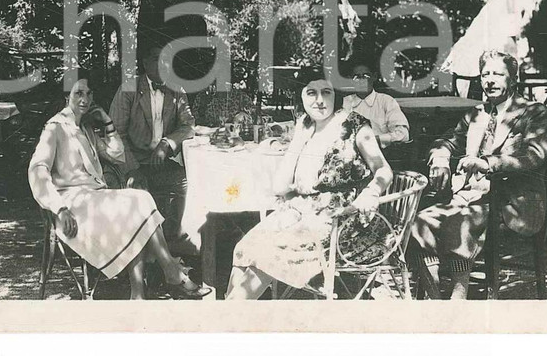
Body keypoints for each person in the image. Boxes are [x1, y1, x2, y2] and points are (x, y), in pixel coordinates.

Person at [28, 73, 211, 300]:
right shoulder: (55, 128)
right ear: (67, 96)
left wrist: (107, 123)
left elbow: (117, 155)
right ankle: (171, 272)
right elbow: (37, 170)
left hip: (94, 198)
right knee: (136, 203)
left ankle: (139, 292)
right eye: (78, 93)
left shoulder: (85, 127)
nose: (84, 99)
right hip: (72, 204)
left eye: (88, 94)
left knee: (139, 200)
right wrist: (59, 208)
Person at [225, 68, 394, 299]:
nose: (320, 100)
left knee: (268, 256)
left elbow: (384, 169)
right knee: (245, 249)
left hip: (341, 220)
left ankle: (225, 320)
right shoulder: (305, 125)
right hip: (302, 213)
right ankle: (229, 317)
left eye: (326, 92)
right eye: (311, 93)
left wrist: (371, 193)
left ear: (335, 94)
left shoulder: (354, 125)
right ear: (301, 97)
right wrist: (299, 140)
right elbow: (280, 187)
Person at [411, 50, 547, 299]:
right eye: (485, 74)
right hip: (469, 195)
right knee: (420, 221)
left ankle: (458, 295)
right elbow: (447, 140)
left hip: (511, 200)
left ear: (513, 78)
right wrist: (441, 158)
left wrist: (488, 163)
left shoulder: (534, 112)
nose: (490, 80)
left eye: (498, 74)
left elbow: (534, 156)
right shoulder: (476, 113)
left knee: (459, 222)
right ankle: (434, 298)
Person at [109, 45, 197, 254]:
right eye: (158, 59)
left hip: (160, 162)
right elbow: (114, 134)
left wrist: (167, 143)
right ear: (145, 63)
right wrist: (132, 169)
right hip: (131, 162)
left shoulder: (176, 89)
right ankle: (144, 256)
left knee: (189, 185)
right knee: (141, 195)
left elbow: (189, 125)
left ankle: (174, 245)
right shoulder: (128, 89)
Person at [340, 61, 411, 148]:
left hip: (381, 153)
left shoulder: (386, 101)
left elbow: (402, 134)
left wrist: (372, 140)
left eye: (366, 76)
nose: (362, 80)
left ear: (374, 77)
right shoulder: (345, 102)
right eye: (357, 77)